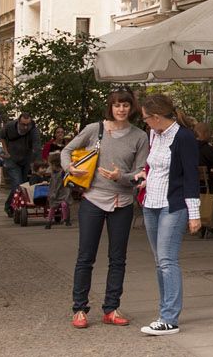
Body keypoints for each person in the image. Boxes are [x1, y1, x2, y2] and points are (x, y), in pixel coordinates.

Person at [60, 90, 149, 329]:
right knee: (85, 256)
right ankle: (79, 308)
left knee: (118, 258)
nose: (121, 110)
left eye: (126, 106)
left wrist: (123, 176)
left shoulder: (140, 136)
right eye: (117, 105)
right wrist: (70, 168)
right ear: (110, 107)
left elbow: (141, 172)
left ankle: (111, 308)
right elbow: (66, 150)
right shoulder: (94, 129)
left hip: (122, 202)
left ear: (132, 108)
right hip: (93, 200)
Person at [138, 93, 202, 335]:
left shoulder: (183, 137)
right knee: (159, 262)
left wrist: (194, 214)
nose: (144, 122)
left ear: (156, 117)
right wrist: (143, 178)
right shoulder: (155, 134)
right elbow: (153, 166)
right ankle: (164, 311)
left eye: (146, 118)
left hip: (172, 204)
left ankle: (169, 318)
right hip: (151, 203)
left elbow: (190, 176)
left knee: (167, 260)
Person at [1, 113, 41, 199]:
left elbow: (36, 147)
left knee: (23, 185)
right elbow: (2, 137)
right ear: (18, 122)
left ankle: (16, 206)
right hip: (12, 159)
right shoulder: (10, 126)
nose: (26, 127)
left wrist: (36, 165)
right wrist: (5, 151)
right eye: (23, 125)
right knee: (17, 184)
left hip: (26, 159)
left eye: (28, 125)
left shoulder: (33, 130)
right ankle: (12, 207)